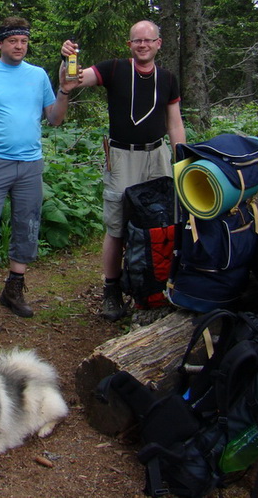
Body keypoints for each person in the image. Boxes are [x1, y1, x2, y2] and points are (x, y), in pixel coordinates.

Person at [61, 20, 186, 321]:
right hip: (121, 156)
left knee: (161, 223)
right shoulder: (115, 69)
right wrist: (67, 62)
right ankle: (112, 290)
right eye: (136, 40)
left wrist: (182, 161)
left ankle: (158, 285)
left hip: (157, 156)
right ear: (129, 45)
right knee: (116, 226)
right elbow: (74, 81)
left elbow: (174, 123)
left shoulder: (167, 79)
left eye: (148, 40)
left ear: (159, 43)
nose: (143, 45)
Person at [0, 17, 71, 320]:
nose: (19, 46)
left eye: (24, 41)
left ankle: (13, 289)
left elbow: (54, 119)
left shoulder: (38, 75)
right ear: (1, 43)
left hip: (30, 164)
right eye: (13, 41)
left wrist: (65, 90)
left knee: (27, 225)